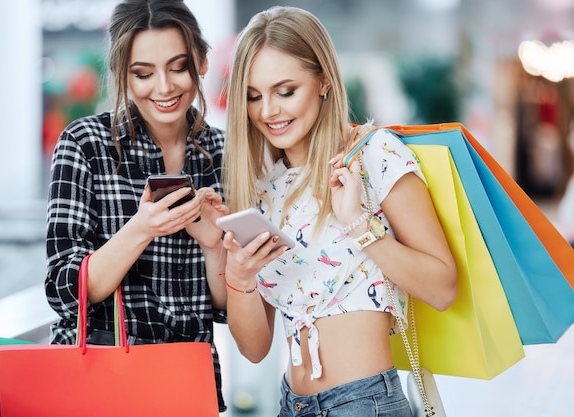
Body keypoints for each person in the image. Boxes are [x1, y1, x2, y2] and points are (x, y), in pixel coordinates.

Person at [220, 6, 457, 416]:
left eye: (286, 90)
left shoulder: (373, 156)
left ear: (324, 80)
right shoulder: (264, 190)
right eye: (253, 96)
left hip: (364, 402)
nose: (268, 111)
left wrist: (358, 224)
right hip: (290, 404)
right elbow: (256, 349)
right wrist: (238, 277)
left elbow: (442, 288)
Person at [45, 0, 228, 411]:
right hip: (94, 385)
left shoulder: (224, 153)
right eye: (142, 74)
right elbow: (63, 290)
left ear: (201, 61)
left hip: (185, 384)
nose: (163, 88)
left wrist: (215, 246)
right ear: (121, 75)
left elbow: (228, 308)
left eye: (178, 67)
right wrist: (141, 229)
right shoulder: (85, 144)